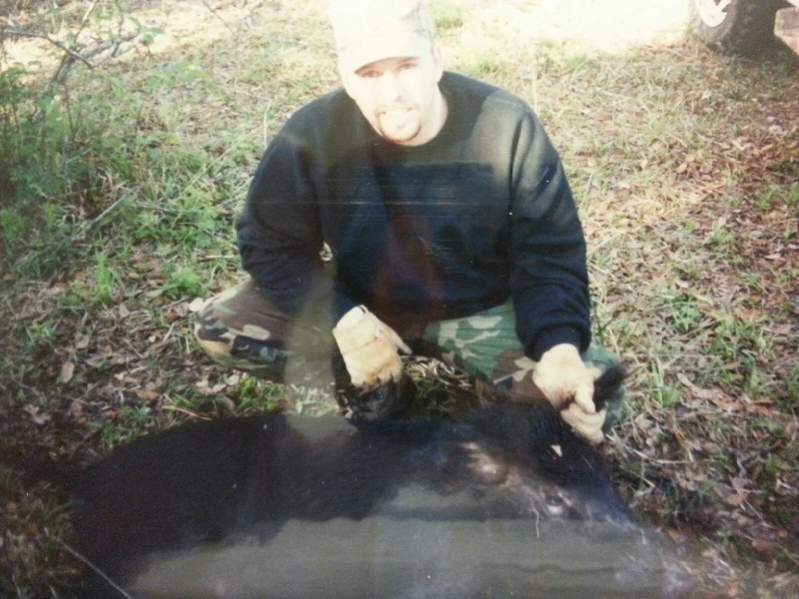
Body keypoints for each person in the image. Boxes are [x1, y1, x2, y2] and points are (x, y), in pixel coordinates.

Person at [194, 0, 622, 444]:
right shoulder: (313, 133)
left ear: (437, 60)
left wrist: (558, 347)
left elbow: (549, 254)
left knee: (595, 395)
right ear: (346, 78)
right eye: (370, 74)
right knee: (224, 324)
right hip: (368, 303)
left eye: (406, 66)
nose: (392, 93)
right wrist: (342, 315)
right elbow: (267, 244)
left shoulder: (505, 125)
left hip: (480, 308)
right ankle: (381, 384)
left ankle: (497, 385)